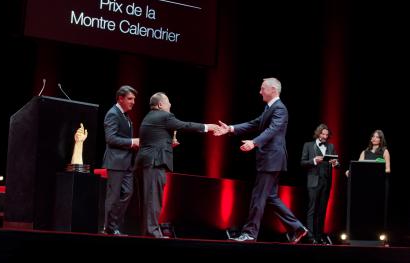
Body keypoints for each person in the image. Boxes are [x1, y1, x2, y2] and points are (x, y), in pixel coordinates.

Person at [216, 77, 308, 243]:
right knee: (270, 196)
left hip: (271, 159)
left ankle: (250, 233)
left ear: (273, 89)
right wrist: (230, 128)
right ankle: (297, 227)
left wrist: (254, 142)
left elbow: (273, 130)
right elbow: (254, 123)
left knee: (258, 196)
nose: (260, 92)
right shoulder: (269, 108)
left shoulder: (280, 108)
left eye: (262, 88)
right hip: (270, 159)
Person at [135, 92, 219, 238]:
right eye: (168, 102)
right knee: (154, 200)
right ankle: (152, 232)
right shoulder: (164, 116)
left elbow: (153, 141)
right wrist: (208, 127)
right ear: (160, 104)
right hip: (154, 163)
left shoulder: (149, 116)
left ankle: (147, 232)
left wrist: (168, 144)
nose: (170, 105)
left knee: (147, 200)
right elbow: (185, 125)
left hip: (146, 162)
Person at [101, 85, 140, 235]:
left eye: (134, 99)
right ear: (120, 98)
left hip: (127, 162)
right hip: (116, 162)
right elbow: (110, 139)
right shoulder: (113, 114)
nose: (133, 102)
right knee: (114, 196)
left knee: (128, 193)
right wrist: (132, 142)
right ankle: (109, 228)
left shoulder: (125, 115)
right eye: (130, 99)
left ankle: (113, 225)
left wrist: (134, 145)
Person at [300, 123, 339, 244]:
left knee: (322, 210)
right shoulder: (308, 145)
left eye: (327, 134)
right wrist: (314, 160)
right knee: (312, 209)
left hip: (326, 182)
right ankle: (310, 236)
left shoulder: (331, 146)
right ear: (318, 133)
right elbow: (302, 163)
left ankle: (319, 235)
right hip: (313, 181)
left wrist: (335, 163)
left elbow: (338, 164)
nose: (325, 136)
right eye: (323, 134)